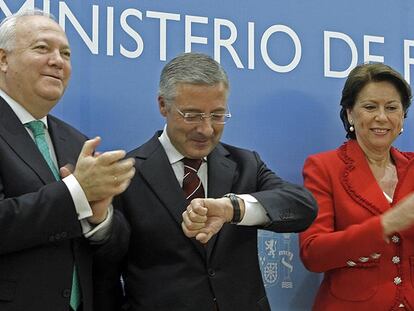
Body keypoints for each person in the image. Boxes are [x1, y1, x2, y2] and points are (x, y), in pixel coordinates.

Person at [94, 52, 317, 311]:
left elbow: (303, 207)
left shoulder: (245, 164)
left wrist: (231, 208)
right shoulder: (126, 174)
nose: (207, 129)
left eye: (218, 115)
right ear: (163, 105)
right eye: (192, 115)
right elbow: (104, 274)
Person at [0, 9, 135, 311]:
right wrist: (76, 193)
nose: (57, 61)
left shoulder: (77, 142)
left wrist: (100, 218)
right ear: (3, 59)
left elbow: (112, 255)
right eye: (42, 48)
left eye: (66, 53)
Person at [299, 63, 414, 310]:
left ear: (403, 115)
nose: (382, 117)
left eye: (392, 108)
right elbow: (313, 253)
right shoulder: (324, 167)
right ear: (350, 113)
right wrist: (387, 224)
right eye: (370, 107)